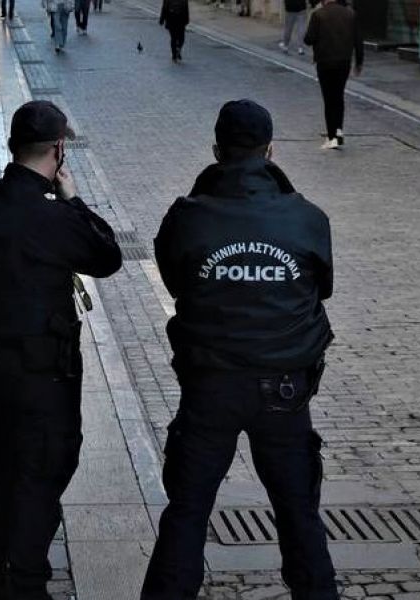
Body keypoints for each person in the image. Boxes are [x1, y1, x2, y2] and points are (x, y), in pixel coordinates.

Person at [0, 101, 122, 600]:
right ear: (58, 150)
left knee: (5, 462)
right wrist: (74, 201)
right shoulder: (54, 216)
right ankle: (27, 581)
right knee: (44, 468)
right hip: (45, 371)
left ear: (13, 147)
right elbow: (107, 256)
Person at [140, 99, 337, 600]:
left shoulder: (187, 217)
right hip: (285, 390)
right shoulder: (307, 218)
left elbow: (176, 282)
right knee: (299, 512)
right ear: (270, 151)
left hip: (211, 386)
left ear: (216, 151)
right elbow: (322, 287)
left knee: (187, 511)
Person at [304, 0, 363, 149]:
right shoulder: (350, 14)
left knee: (329, 99)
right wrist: (359, 62)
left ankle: (332, 136)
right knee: (338, 96)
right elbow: (358, 40)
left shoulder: (318, 14)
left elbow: (308, 39)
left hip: (324, 61)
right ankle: (338, 130)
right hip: (344, 61)